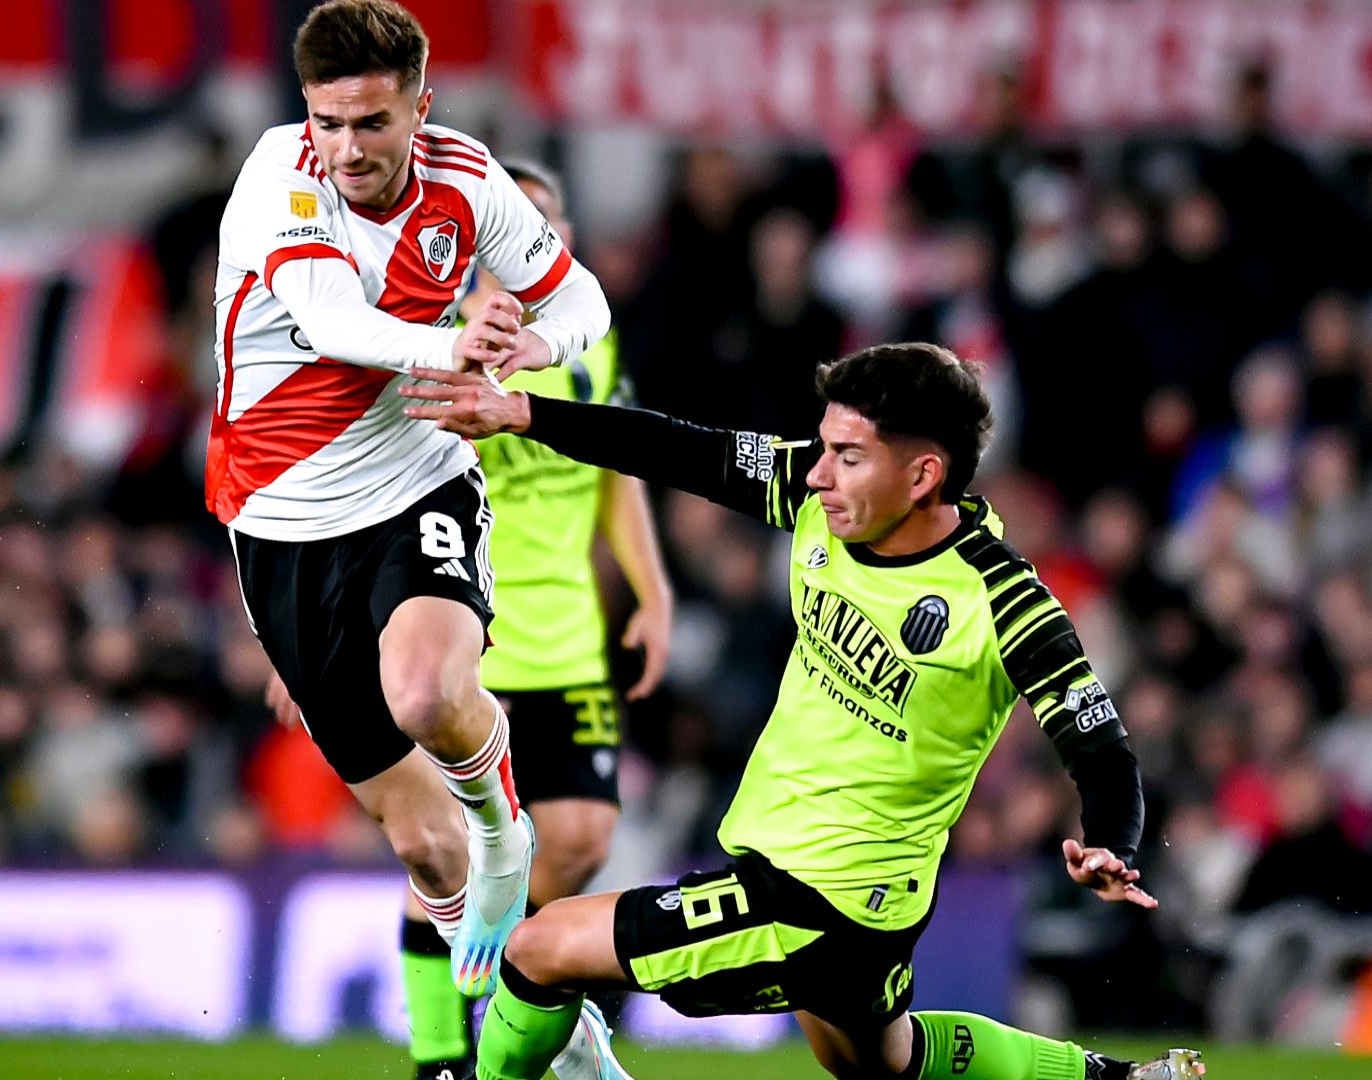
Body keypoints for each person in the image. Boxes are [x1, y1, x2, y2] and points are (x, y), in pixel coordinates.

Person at [400, 343, 1204, 1080]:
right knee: (886, 1059)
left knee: (540, 951)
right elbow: (680, 449)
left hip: (823, 903)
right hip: (851, 903)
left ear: (923, 475)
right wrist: (526, 413)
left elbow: (1100, 748)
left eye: (847, 456)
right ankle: (1117, 1079)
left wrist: (1111, 841)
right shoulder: (820, 501)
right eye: (824, 448)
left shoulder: (1003, 600)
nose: (818, 473)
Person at [211, 0, 610, 1031]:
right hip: (276, 518)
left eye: (372, 124)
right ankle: (531, 1034)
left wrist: (530, 349)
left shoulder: (468, 180)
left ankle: (504, 832)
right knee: (421, 849)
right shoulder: (277, 174)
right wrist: (463, 344)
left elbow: (582, 305)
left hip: (411, 480)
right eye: (329, 120)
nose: (345, 148)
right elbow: (331, 323)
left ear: (418, 108)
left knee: (430, 693)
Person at [391, 160, 672, 1079]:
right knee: (441, 845)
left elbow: (615, 467)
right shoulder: (433, 340)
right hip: (468, 635)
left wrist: (652, 587)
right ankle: (443, 1051)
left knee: (582, 836)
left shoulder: (592, 344)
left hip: (571, 641)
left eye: (539, 228)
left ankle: (504, 987)